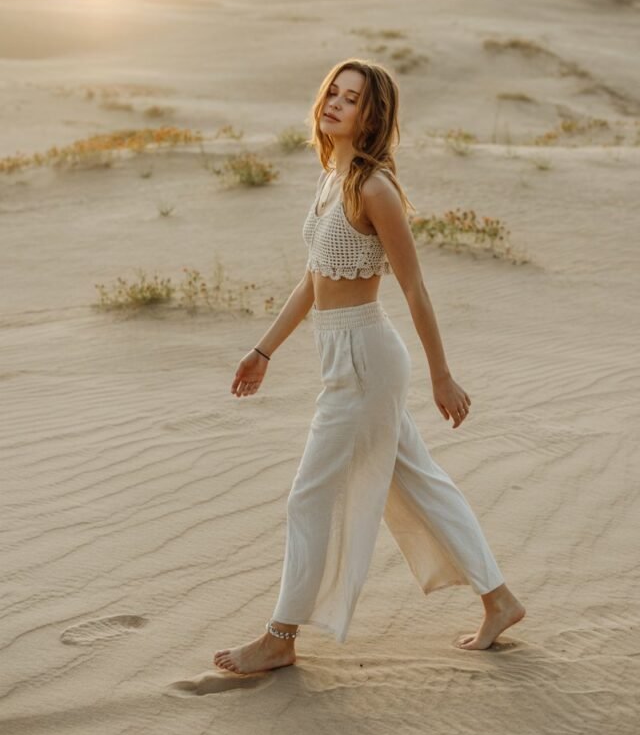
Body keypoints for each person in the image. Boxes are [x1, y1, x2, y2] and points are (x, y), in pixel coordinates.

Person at [213, 59, 525, 675]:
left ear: (371, 115)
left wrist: (442, 374)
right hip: (342, 356)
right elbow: (313, 280)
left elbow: (414, 288)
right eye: (333, 91)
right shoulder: (333, 176)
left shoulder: (374, 188)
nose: (334, 103)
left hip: (365, 361)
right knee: (418, 482)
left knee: (309, 495)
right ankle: (500, 599)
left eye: (350, 98)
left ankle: (281, 635)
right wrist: (263, 350)